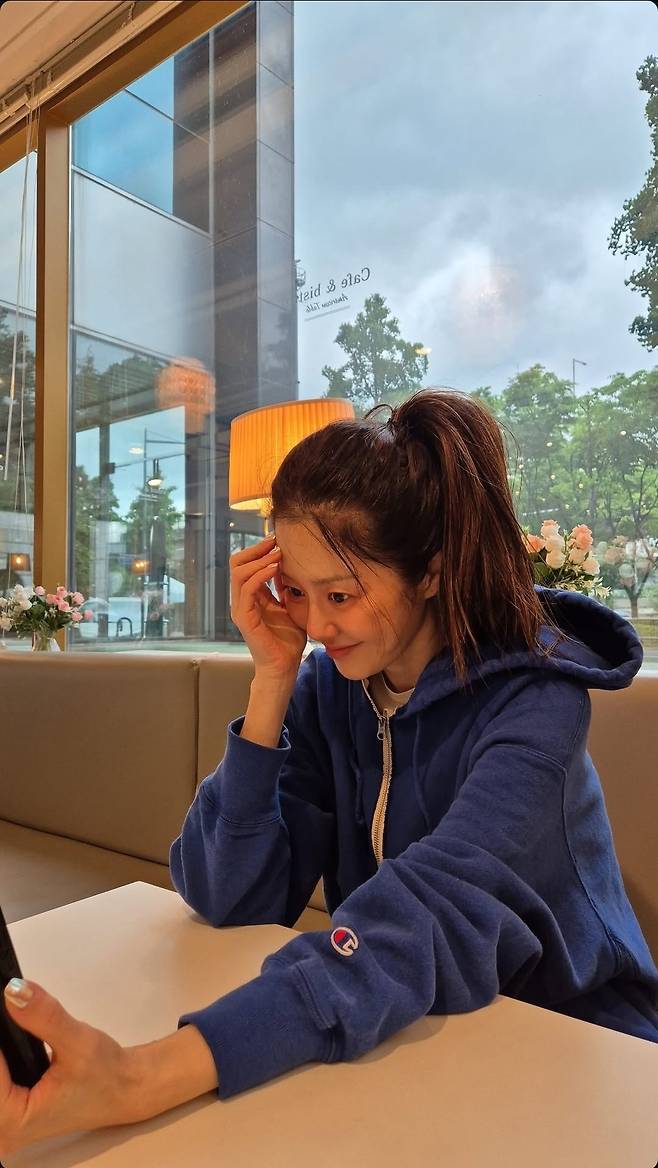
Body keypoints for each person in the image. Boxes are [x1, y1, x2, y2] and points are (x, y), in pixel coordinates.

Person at [2, 389, 657, 1156]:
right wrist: (272, 681)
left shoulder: (536, 706)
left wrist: (140, 1075)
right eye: (296, 592)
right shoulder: (331, 686)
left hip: (579, 1045)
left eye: (339, 594)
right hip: (411, 1020)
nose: (314, 624)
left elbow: (424, 917)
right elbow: (229, 896)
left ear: (432, 572)